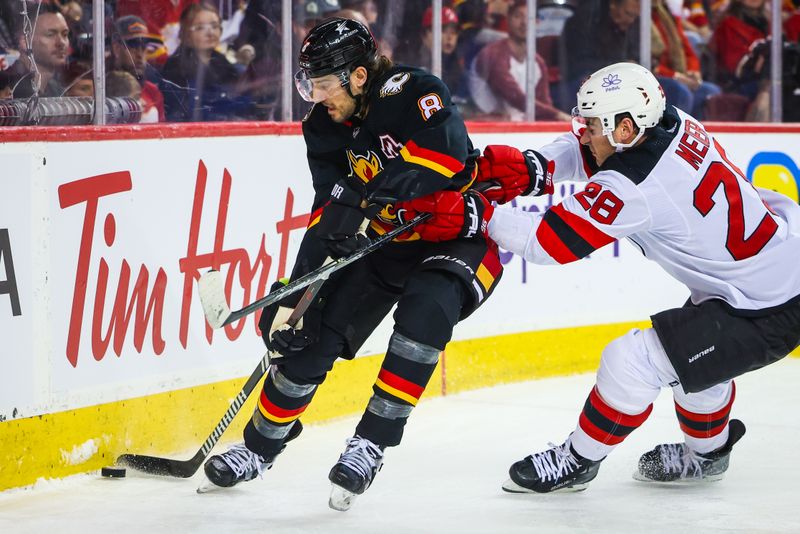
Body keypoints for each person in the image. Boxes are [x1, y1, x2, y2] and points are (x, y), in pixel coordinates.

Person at [407, 62, 800, 492]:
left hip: (766, 307)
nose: (585, 132)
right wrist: (537, 168)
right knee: (696, 364)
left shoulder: (634, 184)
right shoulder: (673, 122)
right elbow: (594, 153)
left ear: (627, 129)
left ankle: (578, 460)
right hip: (767, 278)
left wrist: (477, 214)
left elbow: (547, 241)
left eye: (593, 124)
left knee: (631, 362)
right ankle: (708, 457)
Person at [199, 17, 503, 511]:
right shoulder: (323, 124)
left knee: (423, 317)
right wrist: (297, 295)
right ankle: (258, 447)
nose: (316, 96)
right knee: (307, 335)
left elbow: (445, 156)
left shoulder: (413, 90)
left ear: (359, 76)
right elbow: (329, 210)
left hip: (454, 237)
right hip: (385, 243)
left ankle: (371, 444)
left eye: (323, 84)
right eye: (309, 84)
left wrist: (370, 197)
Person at [469, 0, 570, 121]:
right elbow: (515, 97)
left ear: (537, 23)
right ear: (508, 19)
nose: (524, 23)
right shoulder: (493, 54)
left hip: (520, 128)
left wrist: (555, 117)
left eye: (529, 18)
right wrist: (558, 115)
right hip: (485, 127)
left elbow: (544, 104)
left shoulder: (538, 63)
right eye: (518, 16)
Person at [160, 3, 244, 121]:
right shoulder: (177, 67)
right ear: (185, 34)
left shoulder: (222, 63)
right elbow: (182, 114)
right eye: (200, 28)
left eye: (214, 26)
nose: (210, 33)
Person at [7, 3, 69, 98]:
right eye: (50, 34)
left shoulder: (57, 89)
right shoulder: (9, 88)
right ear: (25, 42)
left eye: (65, 35)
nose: (61, 43)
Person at [110, 15, 165, 122]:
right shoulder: (102, 89)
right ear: (116, 48)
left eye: (143, 46)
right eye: (133, 46)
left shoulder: (152, 91)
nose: (140, 54)